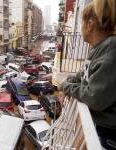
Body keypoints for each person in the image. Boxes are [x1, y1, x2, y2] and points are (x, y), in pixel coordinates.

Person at [59, 0, 116, 149]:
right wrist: (67, 84)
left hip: (109, 133)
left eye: (82, 23)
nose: (81, 27)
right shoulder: (98, 48)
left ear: (90, 24)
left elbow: (94, 97)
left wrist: (67, 86)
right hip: (99, 125)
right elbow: (81, 74)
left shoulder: (111, 49)